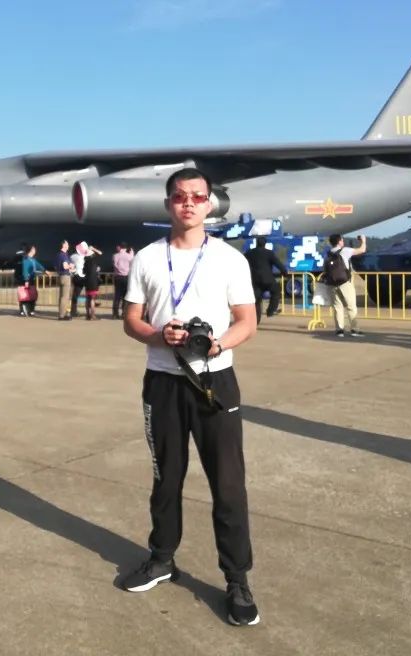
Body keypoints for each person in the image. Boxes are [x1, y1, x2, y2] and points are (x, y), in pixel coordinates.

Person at [122, 168, 260, 627]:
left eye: (197, 197)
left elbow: (247, 321)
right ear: (168, 204)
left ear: (209, 204)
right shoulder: (147, 258)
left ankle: (237, 579)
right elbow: (131, 320)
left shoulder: (229, 259)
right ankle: (162, 558)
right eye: (179, 196)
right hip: (163, 381)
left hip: (214, 381)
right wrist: (158, 335)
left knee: (228, 483)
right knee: (166, 477)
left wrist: (218, 344)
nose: (188, 203)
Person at [324, 233, 366, 337]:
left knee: (337, 307)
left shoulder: (328, 254)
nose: (343, 242)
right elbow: (362, 250)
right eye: (342, 240)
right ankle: (354, 329)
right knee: (351, 306)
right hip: (344, 282)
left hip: (332, 283)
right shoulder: (345, 251)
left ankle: (339, 330)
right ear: (339, 242)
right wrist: (363, 241)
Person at [244, 237, 288, 324]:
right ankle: (270, 311)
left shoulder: (249, 253)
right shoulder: (269, 253)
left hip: (255, 280)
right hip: (268, 280)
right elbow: (278, 264)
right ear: (265, 244)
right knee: (276, 292)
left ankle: (256, 320)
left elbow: (242, 261)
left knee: (257, 300)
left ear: (256, 243)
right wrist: (284, 272)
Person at [18, 245, 46, 317]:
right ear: (30, 250)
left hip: (32, 279)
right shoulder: (26, 259)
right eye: (34, 249)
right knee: (24, 295)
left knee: (32, 295)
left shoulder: (33, 260)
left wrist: (45, 270)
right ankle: (23, 310)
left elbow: (38, 265)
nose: (35, 250)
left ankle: (31, 310)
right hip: (27, 280)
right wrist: (26, 280)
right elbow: (25, 270)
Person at [111, 243, 133, 319]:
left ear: (119, 247)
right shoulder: (130, 256)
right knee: (125, 296)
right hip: (127, 277)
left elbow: (114, 265)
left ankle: (115, 314)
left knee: (117, 296)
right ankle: (124, 314)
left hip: (118, 277)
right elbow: (132, 265)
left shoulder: (115, 256)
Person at [54, 240, 74, 321]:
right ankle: (62, 315)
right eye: (67, 244)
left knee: (61, 296)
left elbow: (55, 266)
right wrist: (70, 266)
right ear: (64, 245)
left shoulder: (58, 255)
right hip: (65, 276)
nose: (68, 245)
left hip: (60, 276)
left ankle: (61, 313)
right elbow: (65, 266)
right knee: (65, 297)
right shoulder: (64, 255)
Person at [82, 244, 103, 320]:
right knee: (92, 299)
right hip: (93, 281)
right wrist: (93, 248)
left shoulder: (85, 261)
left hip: (87, 280)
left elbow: (84, 271)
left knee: (87, 298)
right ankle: (92, 315)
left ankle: (87, 315)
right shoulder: (94, 260)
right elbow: (100, 253)